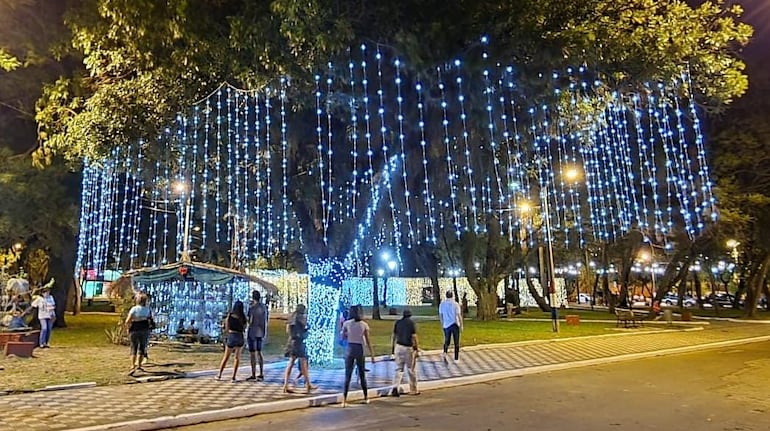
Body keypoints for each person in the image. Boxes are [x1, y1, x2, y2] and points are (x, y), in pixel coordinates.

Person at [340, 305, 375, 406]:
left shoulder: (347, 324)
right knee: (362, 374)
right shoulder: (364, 325)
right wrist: (372, 354)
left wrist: (347, 334)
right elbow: (368, 341)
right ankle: (366, 397)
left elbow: (342, 338)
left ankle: (344, 400)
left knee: (348, 375)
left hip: (350, 349)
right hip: (359, 349)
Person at [282, 304, 317, 393]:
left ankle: (285, 385)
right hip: (299, 342)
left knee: (291, 364)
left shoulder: (292, 317)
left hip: (292, 342)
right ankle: (308, 384)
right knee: (303, 363)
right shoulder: (301, 318)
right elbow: (306, 326)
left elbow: (288, 330)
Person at [390, 308, 419, 396]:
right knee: (411, 369)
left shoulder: (398, 323)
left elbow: (394, 336)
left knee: (399, 368)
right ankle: (413, 389)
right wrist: (416, 348)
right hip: (408, 348)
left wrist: (393, 348)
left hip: (398, 347)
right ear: (410, 315)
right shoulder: (411, 323)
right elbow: (414, 337)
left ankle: (395, 386)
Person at [216, 300, 246, 382]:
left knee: (226, 357)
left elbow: (226, 329)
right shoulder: (243, 317)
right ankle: (233, 377)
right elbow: (244, 328)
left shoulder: (229, 316)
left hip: (232, 336)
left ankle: (219, 375)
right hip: (240, 337)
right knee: (237, 358)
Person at [125, 293, 152, 374]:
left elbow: (127, 320)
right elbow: (150, 320)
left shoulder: (134, 309)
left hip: (134, 328)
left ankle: (132, 365)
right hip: (144, 329)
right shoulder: (147, 310)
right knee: (142, 347)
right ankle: (139, 365)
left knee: (133, 347)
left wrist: (128, 328)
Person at [246, 290, 267, 381]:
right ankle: (261, 373)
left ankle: (253, 373)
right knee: (259, 352)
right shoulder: (264, 307)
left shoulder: (252, 308)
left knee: (252, 353)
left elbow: (250, 320)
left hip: (252, 331)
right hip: (261, 331)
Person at [439, 290, 463, 362]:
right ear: (452, 296)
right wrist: (461, 325)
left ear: (446, 296)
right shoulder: (455, 304)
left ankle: (445, 352)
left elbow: (441, 315)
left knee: (447, 340)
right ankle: (456, 358)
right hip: (455, 324)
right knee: (456, 342)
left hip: (446, 325)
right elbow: (459, 315)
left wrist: (442, 323)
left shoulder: (442, 304)